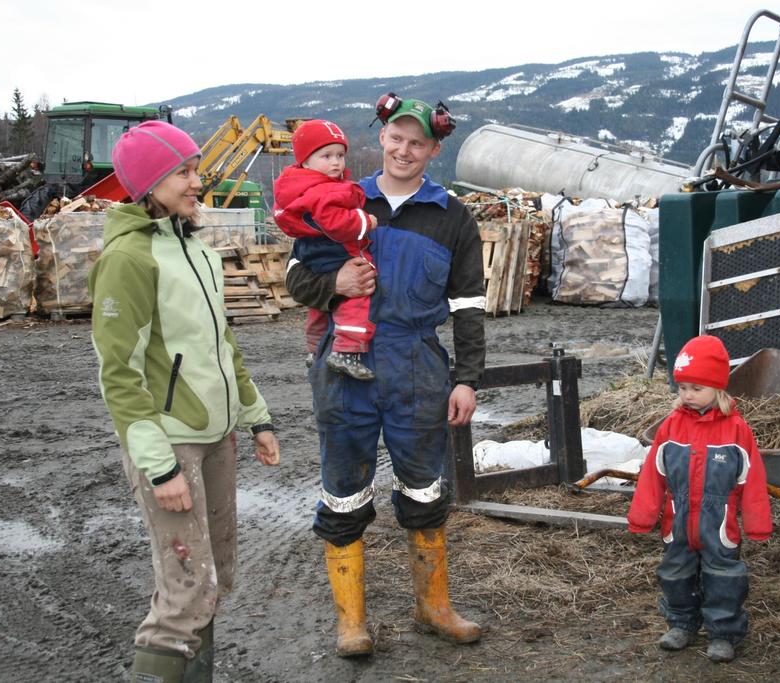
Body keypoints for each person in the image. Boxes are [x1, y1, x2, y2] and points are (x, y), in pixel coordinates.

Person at [285, 94, 485, 657]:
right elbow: (297, 278)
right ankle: (351, 622)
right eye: (395, 138)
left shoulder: (451, 216)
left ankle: (434, 607)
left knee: (425, 489)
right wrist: (335, 286)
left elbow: (469, 305)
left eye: (416, 142)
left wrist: (467, 378)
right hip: (343, 365)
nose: (403, 149)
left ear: (433, 149)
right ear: (382, 140)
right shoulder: (337, 200)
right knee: (344, 491)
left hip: (416, 365)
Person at [88, 120, 281, 682]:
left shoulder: (194, 247)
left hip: (215, 435)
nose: (198, 181)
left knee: (212, 576)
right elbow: (118, 374)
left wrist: (257, 418)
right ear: (149, 183)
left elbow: (222, 343)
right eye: (185, 172)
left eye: (196, 168)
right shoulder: (130, 258)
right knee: (186, 590)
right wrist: (159, 464)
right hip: (170, 444)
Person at [626, 335, 772, 663]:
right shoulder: (671, 427)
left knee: (723, 576)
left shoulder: (736, 431)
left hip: (718, 521)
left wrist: (757, 524)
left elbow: (753, 481)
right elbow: (653, 475)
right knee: (674, 572)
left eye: (696, 388)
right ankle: (682, 622)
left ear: (717, 388)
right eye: (682, 388)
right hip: (677, 519)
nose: (688, 395)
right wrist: (642, 516)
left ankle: (723, 632)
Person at [272, 119, 378, 380]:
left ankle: (315, 347)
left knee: (320, 307)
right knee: (357, 295)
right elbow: (336, 223)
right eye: (327, 156)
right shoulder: (325, 190)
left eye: (340, 155)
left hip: (313, 251)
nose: (336, 163)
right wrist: (367, 221)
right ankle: (347, 348)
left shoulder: (298, 188)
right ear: (305, 161)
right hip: (335, 250)